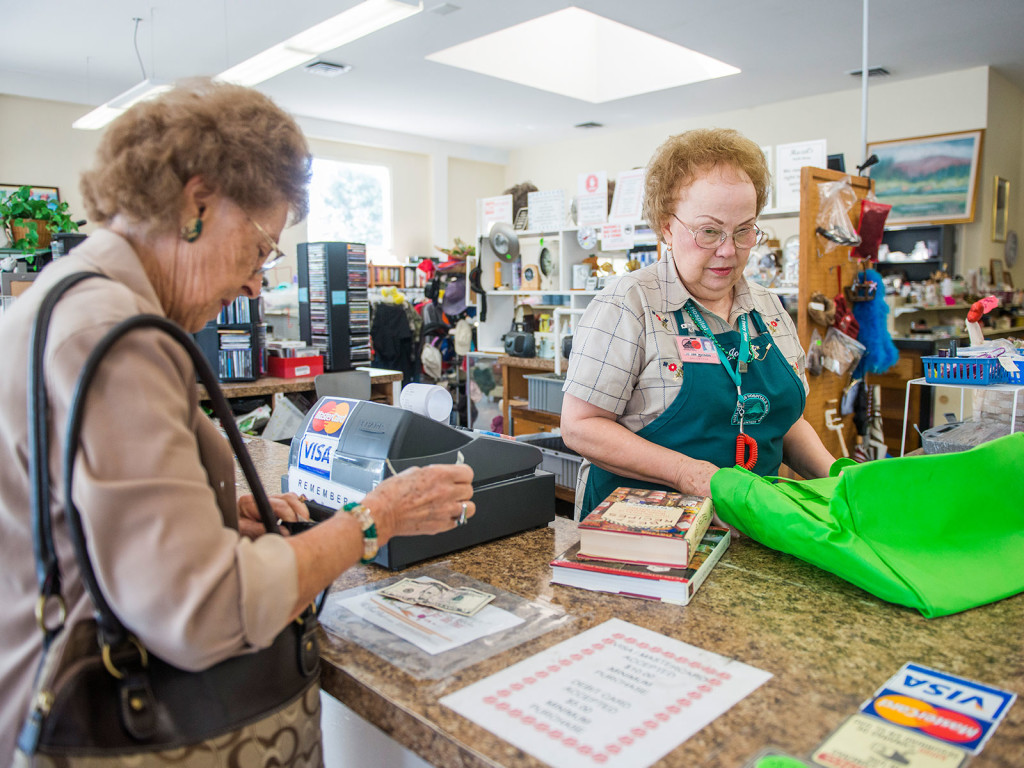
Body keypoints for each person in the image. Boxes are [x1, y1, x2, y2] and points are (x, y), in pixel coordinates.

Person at [0, 80, 475, 761]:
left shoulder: (65, 300)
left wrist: (215, 508)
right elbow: (207, 611)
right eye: (260, 248)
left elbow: (86, 517)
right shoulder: (118, 338)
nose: (257, 284)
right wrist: (376, 520)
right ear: (197, 204)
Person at [561, 128, 834, 521]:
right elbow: (580, 427)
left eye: (744, 231)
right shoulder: (629, 304)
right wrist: (692, 476)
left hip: (755, 525)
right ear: (666, 226)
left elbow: (786, 423)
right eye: (709, 231)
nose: (728, 250)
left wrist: (836, 477)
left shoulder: (767, 308)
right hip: (643, 532)